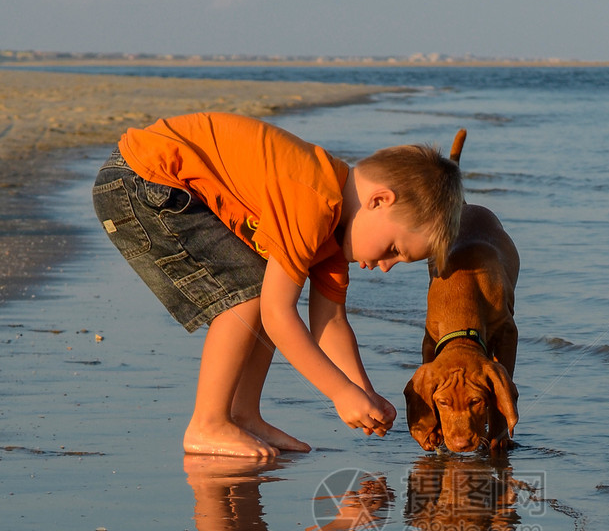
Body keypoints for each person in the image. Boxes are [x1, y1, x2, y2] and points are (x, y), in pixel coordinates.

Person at [92, 111, 463, 458]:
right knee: (254, 295)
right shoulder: (314, 200)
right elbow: (276, 314)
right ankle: (207, 423)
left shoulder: (334, 236)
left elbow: (330, 322)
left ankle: (242, 415)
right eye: (394, 249)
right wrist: (339, 393)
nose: (385, 267)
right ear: (379, 200)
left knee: (262, 285)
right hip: (143, 180)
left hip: (161, 183)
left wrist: (361, 391)